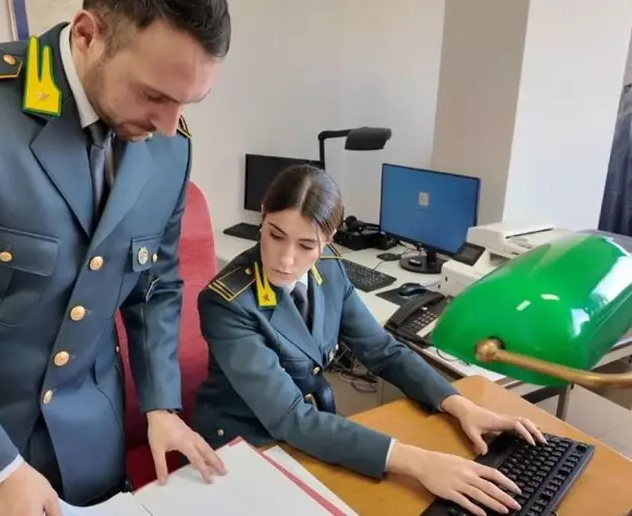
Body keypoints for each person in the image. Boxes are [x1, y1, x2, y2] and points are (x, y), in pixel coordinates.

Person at [0, 1, 230, 515]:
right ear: (87, 35)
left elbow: (155, 286)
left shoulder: (169, 147)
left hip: (86, 452)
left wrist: (161, 404)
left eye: (188, 103)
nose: (168, 125)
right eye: (153, 95)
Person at [192, 164, 548, 516]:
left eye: (306, 245)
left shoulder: (329, 267)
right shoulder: (227, 302)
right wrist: (420, 462)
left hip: (310, 431)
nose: (286, 259)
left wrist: (459, 405)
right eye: (275, 235)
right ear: (263, 216)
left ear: (328, 240)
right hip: (245, 442)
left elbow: (383, 351)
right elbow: (289, 416)